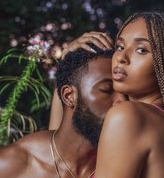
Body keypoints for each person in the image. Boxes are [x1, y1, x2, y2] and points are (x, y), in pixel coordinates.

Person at [63, 12, 164, 178]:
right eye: (120, 47)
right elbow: (58, 143)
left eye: (141, 50)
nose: (121, 57)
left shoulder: (129, 116)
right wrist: (65, 66)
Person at [0, 45, 125, 178]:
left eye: (127, 94)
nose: (122, 101)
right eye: (106, 89)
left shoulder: (126, 163)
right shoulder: (11, 165)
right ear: (69, 96)